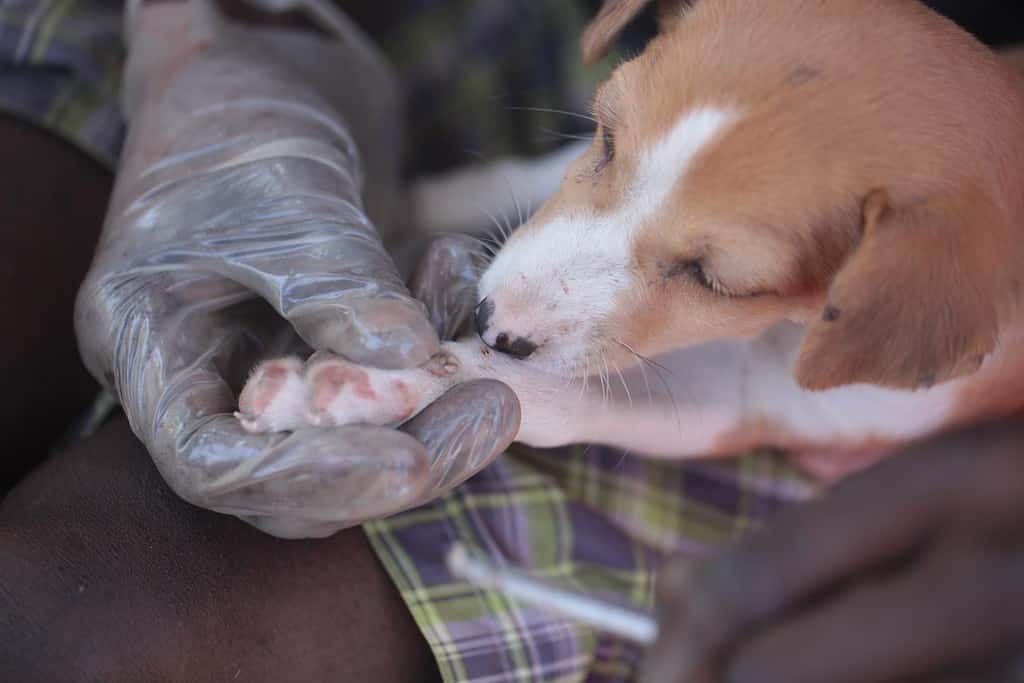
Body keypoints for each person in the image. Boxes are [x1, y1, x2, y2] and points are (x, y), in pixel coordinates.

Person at [0, 1, 1019, 681]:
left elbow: (756, 401)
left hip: (943, 435)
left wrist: (475, 376)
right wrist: (203, 41)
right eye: (607, 139)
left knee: (82, 611)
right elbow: (674, 168)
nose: (516, 294)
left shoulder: (933, 283)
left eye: (707, 271)